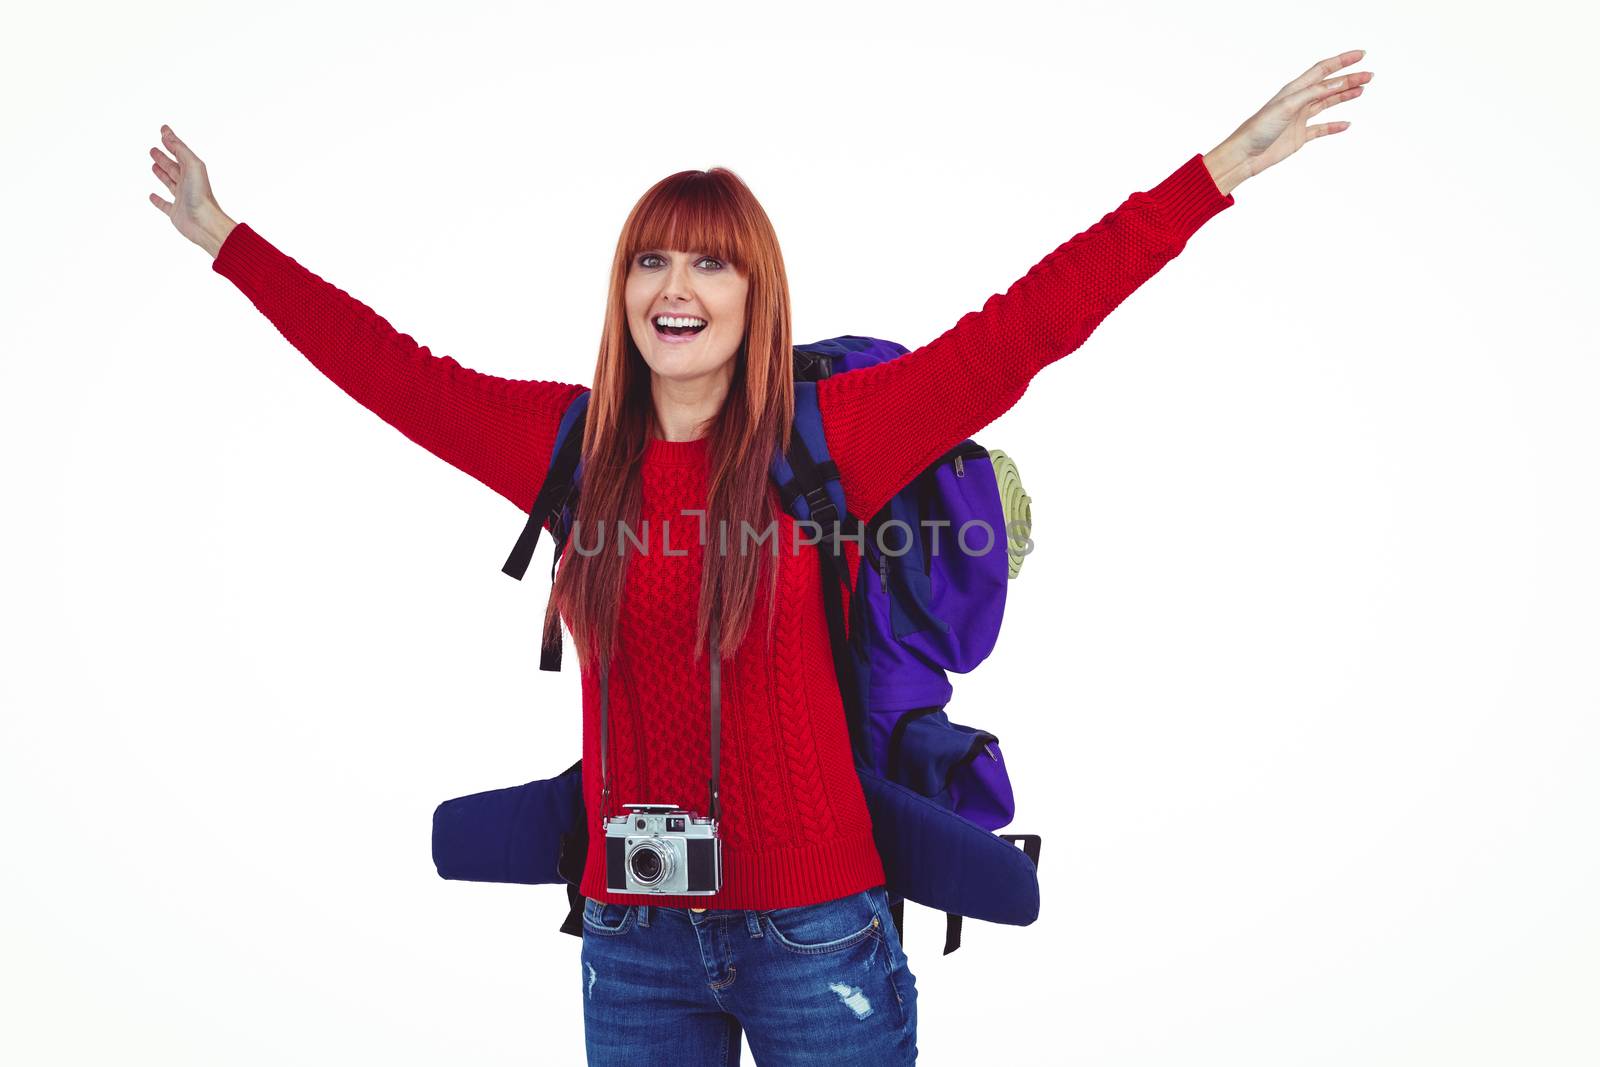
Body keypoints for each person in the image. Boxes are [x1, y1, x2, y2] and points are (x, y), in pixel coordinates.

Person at [147, 48, 1371, 1067]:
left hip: (816, 937)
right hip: (630, 942)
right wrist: (225, 239)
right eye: (650, 258)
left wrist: (1213, 174)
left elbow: (1026, 328)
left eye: (708, 260)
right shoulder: (568, 448)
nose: (674, 287)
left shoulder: (827, 436)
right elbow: (388, 371)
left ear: (753, 291)